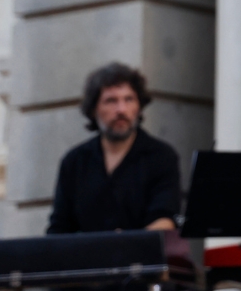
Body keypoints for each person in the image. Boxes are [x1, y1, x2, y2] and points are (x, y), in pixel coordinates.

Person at [47, 62, 180, 234]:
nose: (121, 109)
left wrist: (124, 245)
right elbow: (59, 227)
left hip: (143, 258)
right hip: (89, 259)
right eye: (111, 101)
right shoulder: (75, 161)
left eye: (129, 99)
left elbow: (165, 220)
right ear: (94, 110)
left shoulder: (161, 156)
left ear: (139, 107)